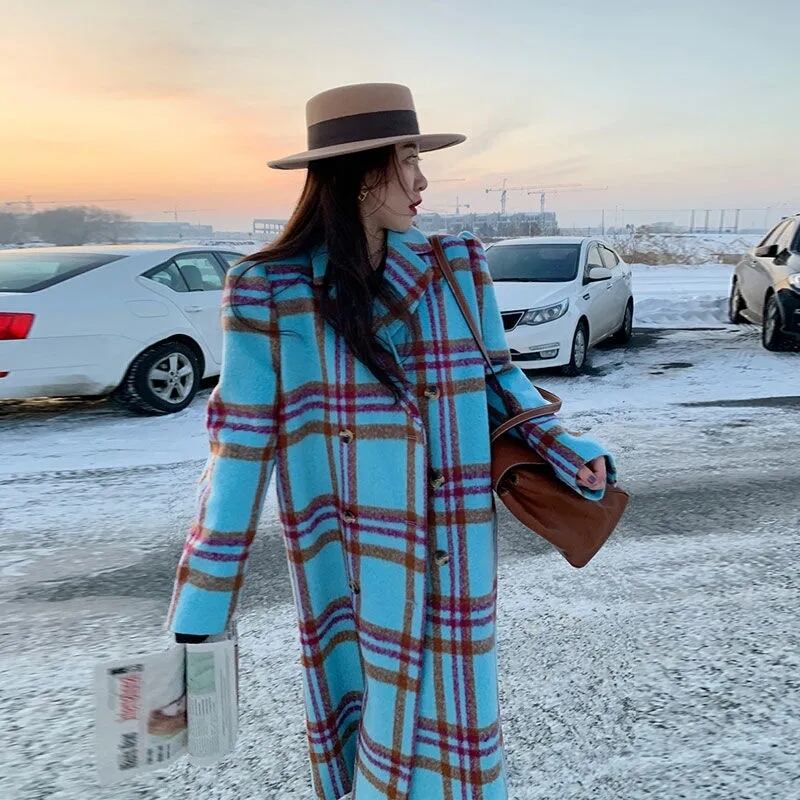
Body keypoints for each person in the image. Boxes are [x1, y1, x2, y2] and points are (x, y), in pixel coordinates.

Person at [165, 82, 618, 800]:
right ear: (357, 172)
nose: (422, 179)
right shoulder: (268, 289)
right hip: (347, 559)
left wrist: (568, 450)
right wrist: (202, 607)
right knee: (370, 737)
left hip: (452, 548)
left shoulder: (456, 266)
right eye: (406, 159)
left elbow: (501, 380)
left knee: (457, 750)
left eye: (418, 157)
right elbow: (239, 450)